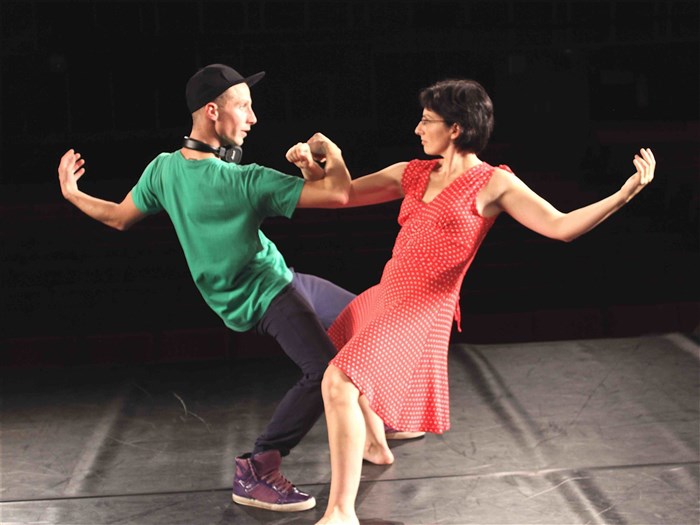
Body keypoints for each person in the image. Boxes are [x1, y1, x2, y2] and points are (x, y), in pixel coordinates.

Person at [286, 78, 656, 524]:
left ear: (456, 128)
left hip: (422, 309)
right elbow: (341, 194)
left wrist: (623, 195)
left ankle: (341, 512)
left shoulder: (494, 183)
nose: (418, 129)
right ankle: (376, 445)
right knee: (348, 356)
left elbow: (561, 226)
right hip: (388, 293)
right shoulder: (413, 172)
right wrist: (318, 165)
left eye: (427, 121)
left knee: (339, 381)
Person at [57, 63, 360, 513]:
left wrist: (72, 193)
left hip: (278, 276)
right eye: (244, 107)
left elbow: (119, 217)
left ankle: (370, 431)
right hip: (268, 293)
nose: (253, 118)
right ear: (213, 112)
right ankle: (258, 467)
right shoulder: (244, 180)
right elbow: (340, 194)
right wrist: (329, 153)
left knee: (361, 318)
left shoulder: (163, 169)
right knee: (325, 373)